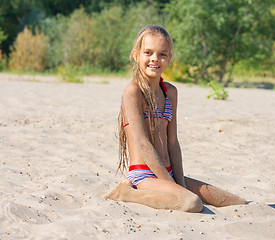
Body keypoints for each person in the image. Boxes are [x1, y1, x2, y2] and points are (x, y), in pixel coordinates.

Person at [103, 25, 247, 212]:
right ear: (136, 55)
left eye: (162, 54)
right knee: (192, 203)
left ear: (169, 58)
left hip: (169, 172)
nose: (155, 58)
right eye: (148, 52)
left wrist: (179, 183)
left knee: (237, 202)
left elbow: (173, 143)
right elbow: (143, 144)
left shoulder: (170, 92)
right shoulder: (134, 91)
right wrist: (174, 186)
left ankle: (175, 188)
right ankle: (126, 193)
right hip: (144, 175)